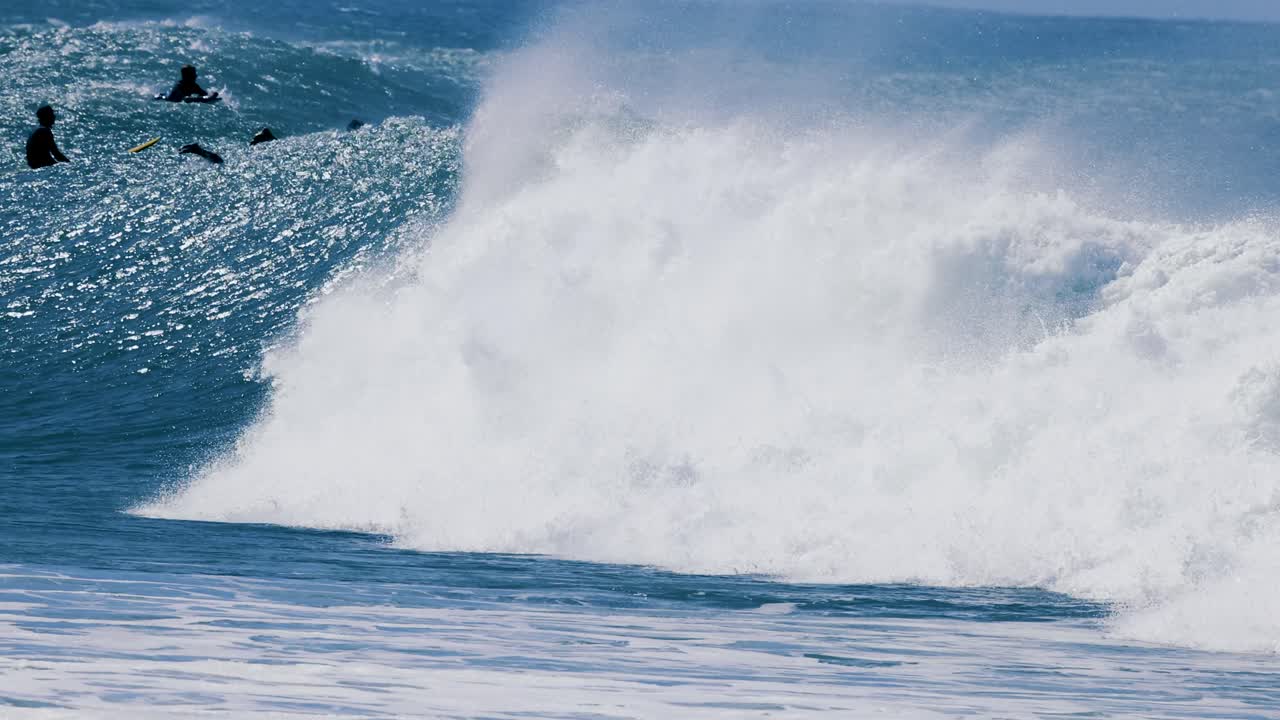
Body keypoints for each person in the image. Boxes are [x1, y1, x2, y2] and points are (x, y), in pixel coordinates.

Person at [26, 105, 69, 170]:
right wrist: (70, 164)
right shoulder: (44, 132)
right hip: (42, 165)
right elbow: (56, 154)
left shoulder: (36, 130)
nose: (54, 117)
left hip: (34, 165)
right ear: (47, 117)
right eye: (52, 115)